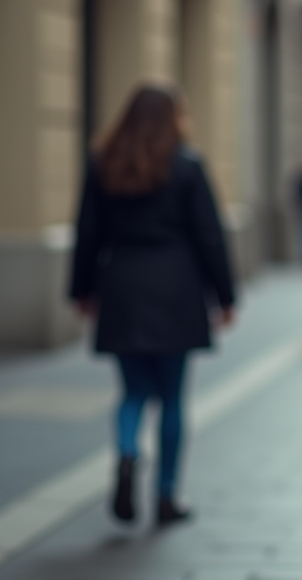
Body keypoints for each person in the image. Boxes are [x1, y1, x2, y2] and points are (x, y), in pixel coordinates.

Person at [69, 84, 236, 526]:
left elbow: (87, 232)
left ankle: (127, 454)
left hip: (121, 286)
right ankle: (166, 496)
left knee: (133, 392)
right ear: (173, 118)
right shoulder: (186, 165)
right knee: (173, 398)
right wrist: (225, 295)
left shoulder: (104, 163)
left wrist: (81, 291)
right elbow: (209, 235)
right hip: (176, 288)